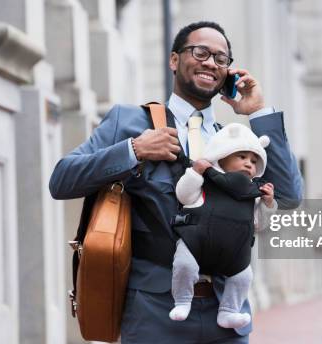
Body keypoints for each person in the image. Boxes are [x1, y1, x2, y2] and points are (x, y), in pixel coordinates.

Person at [49, 21, 302, 344]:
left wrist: (258, 113)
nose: (211, 62)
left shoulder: (236, 142)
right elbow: (62, 180)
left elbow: (290, 196)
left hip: (227, 314)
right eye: (200, 52)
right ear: (174, 60)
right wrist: (134, 149)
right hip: (154, 314)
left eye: (221, 59)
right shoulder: (130, 122)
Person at [170, 123, 277, 330]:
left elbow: (259, 225)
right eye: (242, 157)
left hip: (234, 253)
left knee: (244, 276)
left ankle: (229, 311)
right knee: (184, 264)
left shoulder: (254, 193)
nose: (249, 164)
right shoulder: (206, 180)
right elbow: (184, 195)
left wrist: (268, 204)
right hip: (197, 241)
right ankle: (182, 300)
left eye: (254, 161)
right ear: (222, 155)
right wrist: (194, 173)